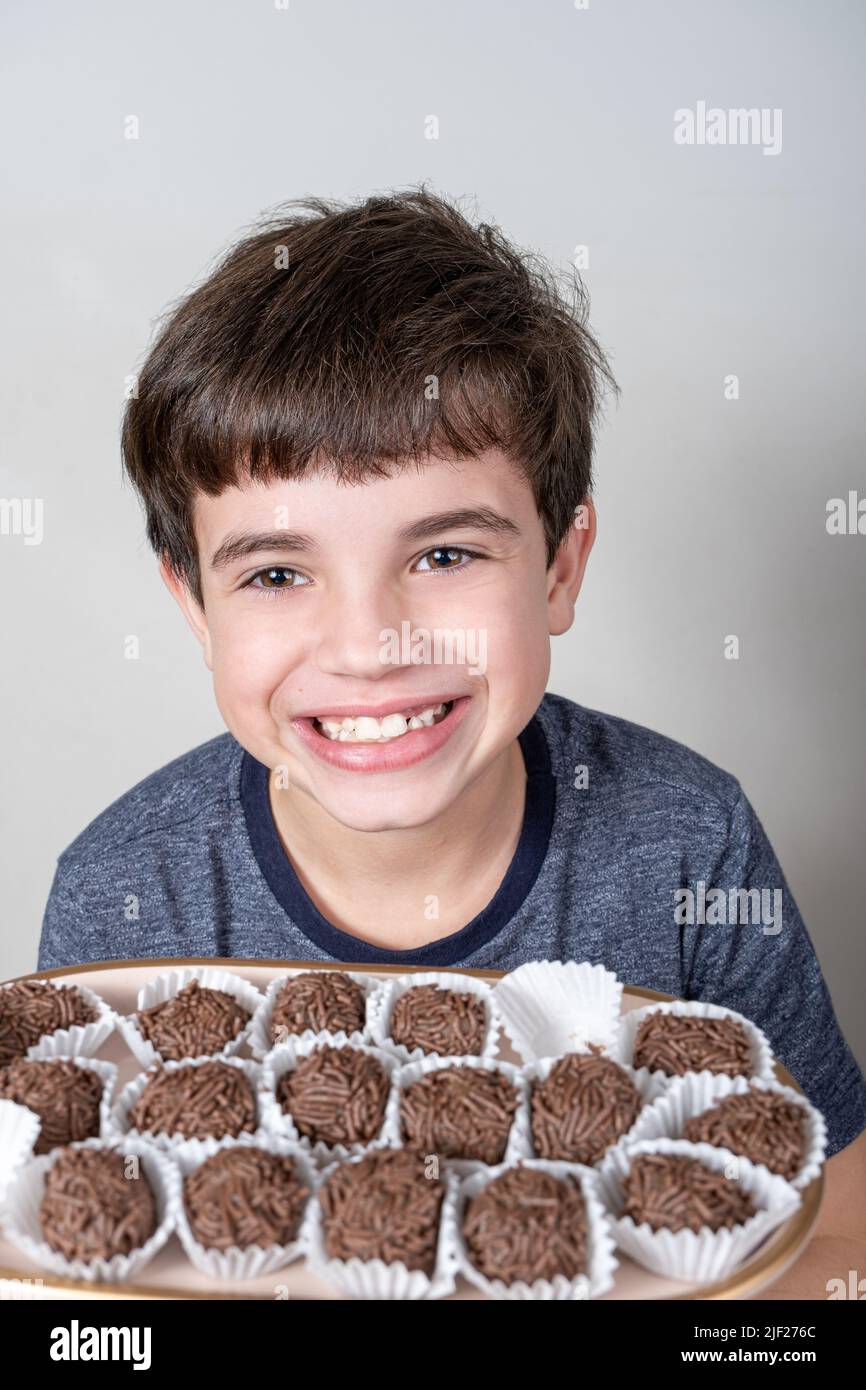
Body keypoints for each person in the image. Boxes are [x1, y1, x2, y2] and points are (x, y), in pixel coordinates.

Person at [38, 189, 866, 1294]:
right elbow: (75, 1269)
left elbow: (837, 1223)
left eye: (443, 555)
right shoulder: (125, 891)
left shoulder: (686, 843)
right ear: (194, 606)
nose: (370, 645)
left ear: (558, 568)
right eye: (277, 573)